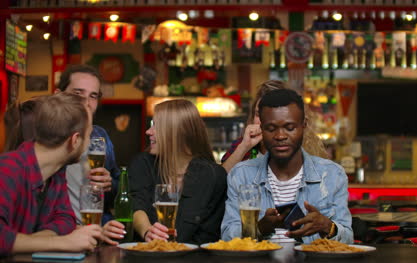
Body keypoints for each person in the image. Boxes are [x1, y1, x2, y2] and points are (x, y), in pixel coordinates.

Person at [221, 89, 353, 244]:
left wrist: (327, 227)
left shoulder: (332, 174)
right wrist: (259, 228)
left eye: (289, 128)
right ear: (261, 129)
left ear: (304, 125)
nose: (280, 136)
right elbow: (227, 237)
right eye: (271, 129)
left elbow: (348, 239)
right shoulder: (241, 175)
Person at [0, 93, 103, 255]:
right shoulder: (8, 169)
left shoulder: (56, 172)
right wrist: (63, 242)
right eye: (89, 135)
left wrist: (33, 241)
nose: (89, 143)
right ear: (75, 140)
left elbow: (65, 220)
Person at [130, 99, 227, 244]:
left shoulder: (213, 176)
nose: (148, 132)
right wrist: (147, 231)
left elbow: (209, 237)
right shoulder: (143, 163)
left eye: (156, 126)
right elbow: (136, 204)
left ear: (176, 132)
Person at [55, 64, 120, 225]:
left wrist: (110, 184)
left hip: (97, 232)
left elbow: (119, 188)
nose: (86, 102)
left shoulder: (100, 136)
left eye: (93, 96)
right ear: (58, 95)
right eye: (78, 93)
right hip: (57, 235)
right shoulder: (46, 137)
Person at [221, 80, 328, 173]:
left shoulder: (305, 151)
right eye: (259, 114)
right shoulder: (243, 146)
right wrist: (244, 147)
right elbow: (220, 183)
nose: (266, 122)